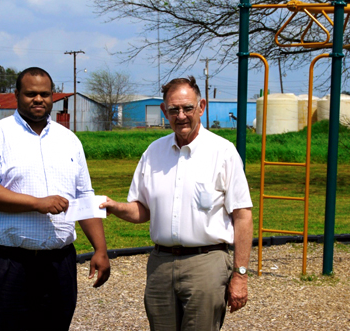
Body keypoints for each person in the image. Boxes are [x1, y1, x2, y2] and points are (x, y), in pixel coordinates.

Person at [0, 67, 110, 331]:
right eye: (30, 94)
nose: (38, 99)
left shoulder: (69, 140)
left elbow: (84, 196)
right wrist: (37, 203)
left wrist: (100, 249)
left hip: (58, 263)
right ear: (17, 95)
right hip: (6, 264)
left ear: (53, 97)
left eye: (44, 94)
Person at [100, 76, 253, 330]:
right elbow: (143, 209)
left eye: (188, 108)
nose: (181, 115)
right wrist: (114, 206)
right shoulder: (153, 153)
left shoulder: (223, 153)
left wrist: (240, 275)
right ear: (164, 111)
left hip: (207, 262)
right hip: (161, 263)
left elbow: (242, 216)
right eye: (174, 109)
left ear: (201, 107)